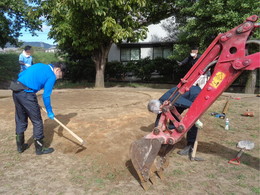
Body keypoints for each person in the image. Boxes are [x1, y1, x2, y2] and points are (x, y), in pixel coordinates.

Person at [10, 62, 65, 155]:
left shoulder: (39, 65)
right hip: (27, 94)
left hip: (16, 91)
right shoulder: (51, 75)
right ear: (58, 70)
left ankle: (20, 147)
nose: (57, 78)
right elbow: (46, 95)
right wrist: (49, 111)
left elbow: (21, 74)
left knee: (20, 119)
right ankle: (39, 149)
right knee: (37, 122)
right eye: (58, 76)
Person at [147, 86, 202, 156]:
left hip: (194, 95)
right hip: (184, 96)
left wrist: (196, 119)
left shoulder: (172, 100)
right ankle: (172, 132)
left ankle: (190, 146)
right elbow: (160, 116)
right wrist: (157, 130)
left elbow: (192, 105)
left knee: (191, 120)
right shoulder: (161, 102)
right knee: (174, 114)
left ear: (159, 107)